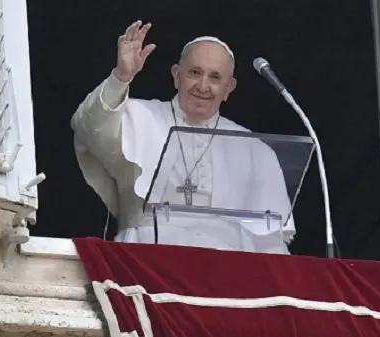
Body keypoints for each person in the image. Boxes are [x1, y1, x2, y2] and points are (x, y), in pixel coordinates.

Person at [71, 20, 296, 254]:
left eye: (215, 77)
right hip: (144, 259)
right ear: (177, 76)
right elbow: (89, 127)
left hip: (226, 274)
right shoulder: (137, 117)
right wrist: (120, 77)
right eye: (195, 73)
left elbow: (272, 241)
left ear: (229, 88)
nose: (203, 86)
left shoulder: (254, 149)